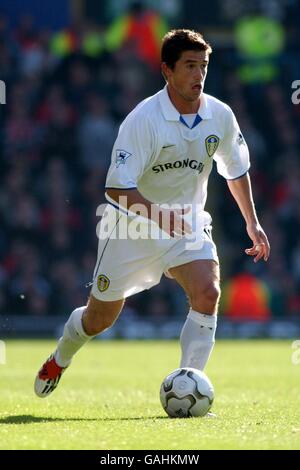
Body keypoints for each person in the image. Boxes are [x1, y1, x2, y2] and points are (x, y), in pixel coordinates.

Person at [34, 29, 270, 398]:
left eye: (203, 66)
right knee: (98, 319)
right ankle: (61, 355)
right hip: (132, 228)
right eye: (190, 66)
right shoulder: (143, 120)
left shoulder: (220, 116)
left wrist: (252, 222)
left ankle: (189, 384)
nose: (199, 75)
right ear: (167, 71)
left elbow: (236, 170)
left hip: (187, 223)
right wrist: (159, 215)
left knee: (207, 293)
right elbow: (115, 187)